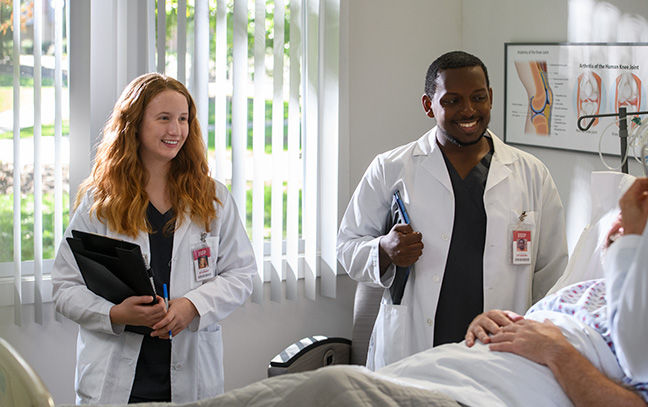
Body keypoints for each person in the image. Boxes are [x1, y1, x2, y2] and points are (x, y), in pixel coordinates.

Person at [336, 50, 568, 370]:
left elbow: (552, 273)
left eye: (478, 97)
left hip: (500, 346)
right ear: (429, 105)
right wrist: (384, 249)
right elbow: (347, 247)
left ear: (491, 97)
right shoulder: (390, 169)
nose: (468, 110)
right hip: (413, 344)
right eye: (452, 100)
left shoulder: (532, 173)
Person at [51, 73, 256, 405]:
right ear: (135, 123)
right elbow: (64, 285)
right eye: (163, 118)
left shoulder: (212, 197)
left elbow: (241, 273)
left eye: (183, 119)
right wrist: (116, 314)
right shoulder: (102, 201)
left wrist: (192, 306)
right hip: (117, 381)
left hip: (190, 373)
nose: (175, 130)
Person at [452, 177, 648, 407]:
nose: (620, 231)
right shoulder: (582, 290)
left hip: (496, 392)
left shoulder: (636, 328)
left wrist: (556, 352)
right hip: (456, 369)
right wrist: (490, 325)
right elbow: (528, 331)